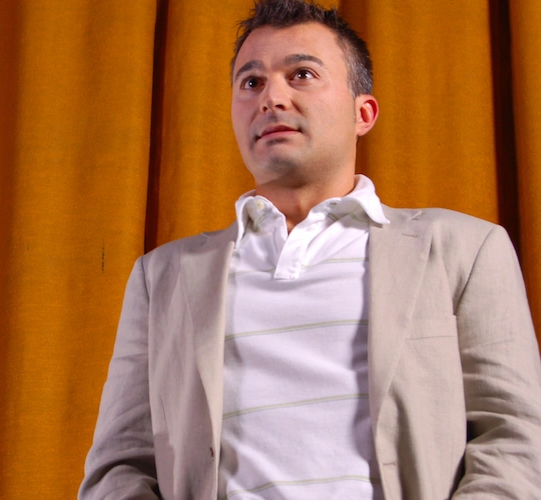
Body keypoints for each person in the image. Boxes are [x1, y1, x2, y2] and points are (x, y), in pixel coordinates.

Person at [79, 0, 541, 498]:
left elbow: (515, 438)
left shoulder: (464, 250)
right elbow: (119, 465)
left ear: (363, 112)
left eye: (301, 74)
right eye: (251, 82)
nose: (271, 97)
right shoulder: (162, 276)